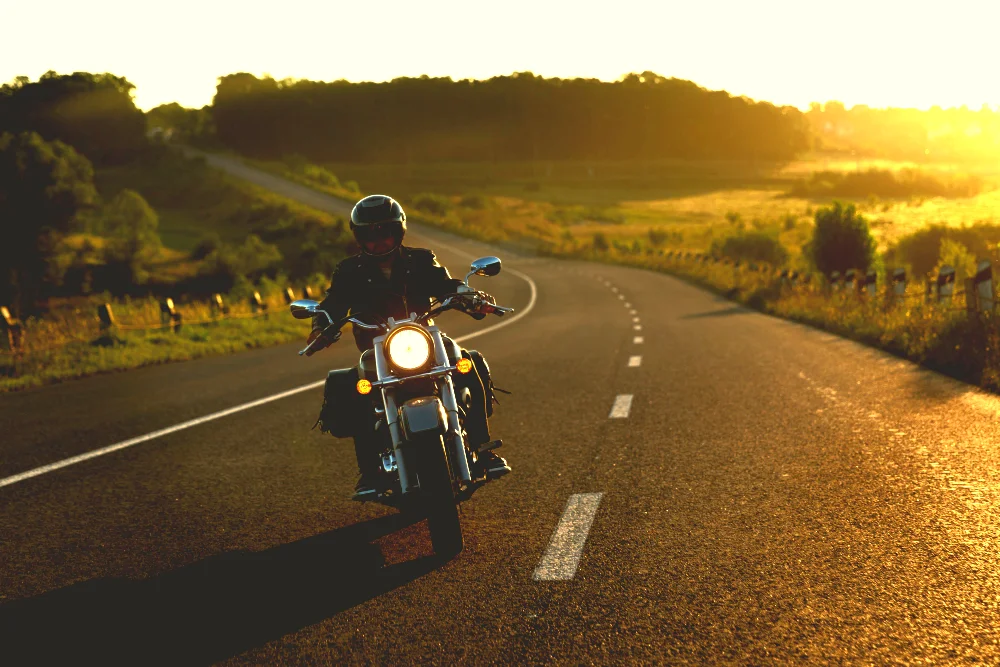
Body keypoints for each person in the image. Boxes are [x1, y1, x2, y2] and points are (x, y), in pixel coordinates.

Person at [306, 194, 510, 494]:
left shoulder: (421, 259)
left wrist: (471, 298)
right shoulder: (348, 271)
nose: (379, 241)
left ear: (398, 231)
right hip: (377, 347)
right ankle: (370, 471)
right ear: (359, 237)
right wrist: (321, 325)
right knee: (358, 389)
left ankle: (481, 447)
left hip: (422, 338)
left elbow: (446, 283)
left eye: (385, 232)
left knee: (467, 360)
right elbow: (333, 303)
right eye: (370, 235)